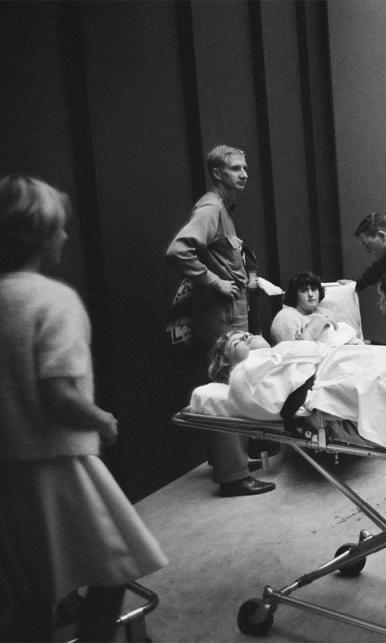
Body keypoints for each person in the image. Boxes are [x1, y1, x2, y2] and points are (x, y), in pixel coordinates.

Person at [0, 175, 168, 641]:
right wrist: (102, 420)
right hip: (58, 464)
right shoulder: (54, 301)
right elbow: (59, 395)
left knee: (29, 591)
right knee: (114, 564)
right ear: (41, 233)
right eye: (61, 228)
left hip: (8, 472)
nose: (67, 237)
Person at [165, 144, 275, 497]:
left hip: (228, 315)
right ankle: (233, 475)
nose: (244, 174)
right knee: (228, 390)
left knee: (229, 385)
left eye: (245, 168)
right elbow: (178, 249)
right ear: (217, 174)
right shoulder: (211, 208)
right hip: (220, 318)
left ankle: (228, 460)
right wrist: (213, 281)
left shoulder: (221, 210)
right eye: (235, 169)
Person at [270, 272, 345, 344]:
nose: (310, 294)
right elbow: (288, 352)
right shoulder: (285, 316)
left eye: (314, 289)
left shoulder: (327, 313)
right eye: (304, 291)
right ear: (295, 295)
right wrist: (312, 330)